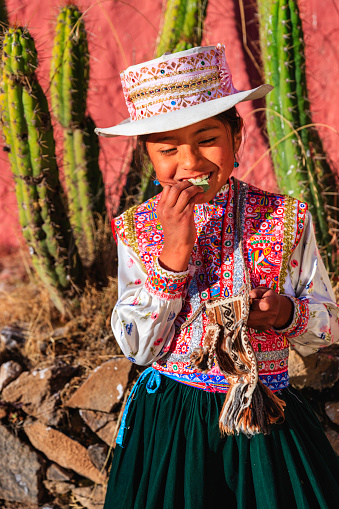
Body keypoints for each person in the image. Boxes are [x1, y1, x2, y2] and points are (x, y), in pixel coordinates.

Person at [96, 44, 339, 509]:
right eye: (168, 148)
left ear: (237, 136)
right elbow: (137, 346)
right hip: (172, 425)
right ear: (148, 154)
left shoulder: (285, 218)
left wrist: (286, 314)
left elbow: (327, 324)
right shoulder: (136, 230)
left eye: (207, 139)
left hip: (265, 419)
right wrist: (175, 256)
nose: (190, 162)